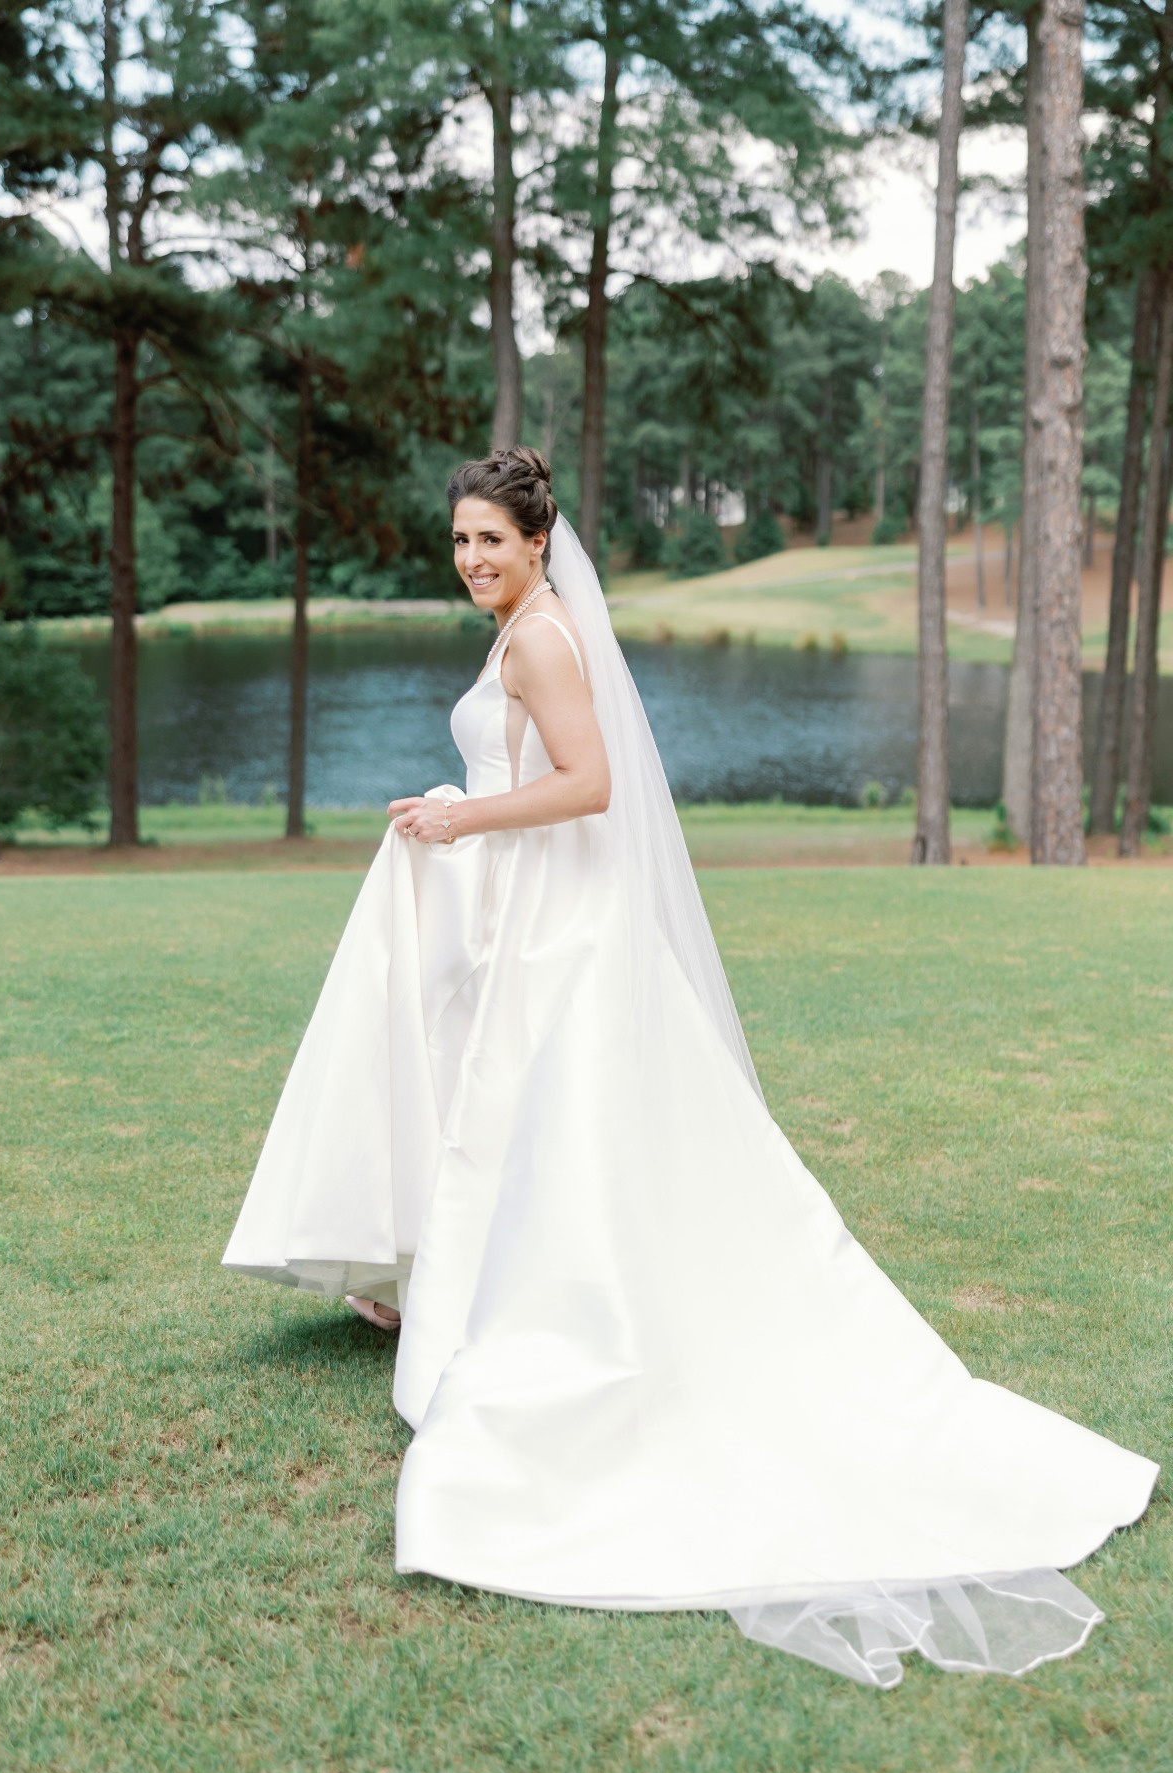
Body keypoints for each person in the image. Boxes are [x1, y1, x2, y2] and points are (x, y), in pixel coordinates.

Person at [223, 447, 1157, 1688]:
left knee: (545, 1123)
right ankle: (436, 1294)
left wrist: (461, 817)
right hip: (527, 913)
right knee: (502, 1121)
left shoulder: (546, 638)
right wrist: (453, 806)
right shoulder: (529, 628)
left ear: (540, 541)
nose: (471, 562)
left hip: (562, 925)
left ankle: (523, 1318)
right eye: (458, 543)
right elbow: (530, 768)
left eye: (489, 541)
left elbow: (593, 787)